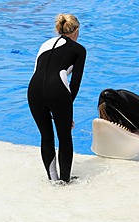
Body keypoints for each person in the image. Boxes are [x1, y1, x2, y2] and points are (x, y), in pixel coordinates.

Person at [27, 14, 87, 183]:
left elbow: (36, 71)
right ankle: (65, 181)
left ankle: (53, 179)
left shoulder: (45, 44)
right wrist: (67, 111)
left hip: (33, 90)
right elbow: (74, 84)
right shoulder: (79, 50)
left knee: (46, 136)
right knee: (64, 136)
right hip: (57, 90)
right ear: (76, 31)